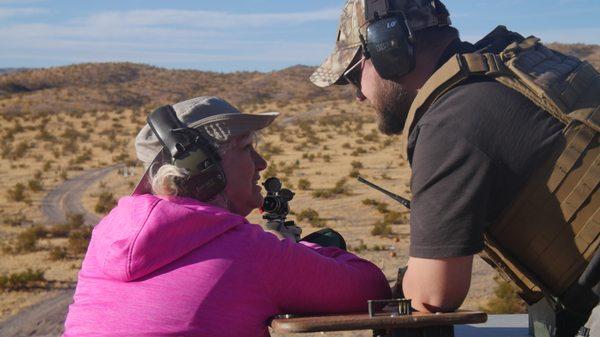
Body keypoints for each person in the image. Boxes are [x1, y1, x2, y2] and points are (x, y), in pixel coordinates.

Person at [311, 1, 599, 336]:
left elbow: (433, 295)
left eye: (353, 74)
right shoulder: (525, 68)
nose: (357, 95)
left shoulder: (450, 120)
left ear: (388, 48)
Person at [63, 96, 391, 337]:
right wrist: (302, 250)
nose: (261, 163)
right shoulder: (246, 249)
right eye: (247, 148)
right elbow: (370, 286)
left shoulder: (105, 238)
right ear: (203, 166)